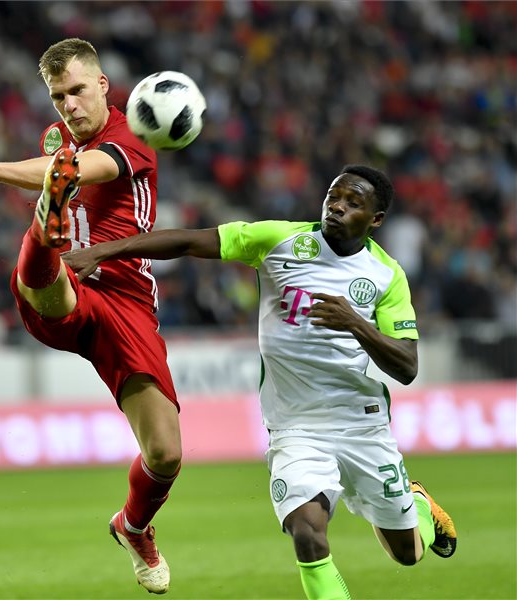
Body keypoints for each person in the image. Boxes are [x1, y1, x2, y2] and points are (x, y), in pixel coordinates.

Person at [61, 164, 458, 600]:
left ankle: (418, 505)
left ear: (376, 219)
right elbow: (190, 241)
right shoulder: (278, 240)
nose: (337, 207)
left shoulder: (386, 274)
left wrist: (355, 324)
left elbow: (407, 366)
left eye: (353, 203)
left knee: (408, 553)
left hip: (362, 426)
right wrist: (102, 252)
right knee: (307, 532)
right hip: (295, 428)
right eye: (334, 196)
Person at [0, 38, 179, 595]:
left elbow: (89, 168)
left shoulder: (133, 138)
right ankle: (43, 235)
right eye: (57, 97)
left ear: (102, 86)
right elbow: (62, 164)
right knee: (50, 268)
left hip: (126, 301)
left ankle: (133, 527)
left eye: (76, 91)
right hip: (67, 286)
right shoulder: (61, 143)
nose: (69, 105)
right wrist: (27, 174)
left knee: (165, 454)